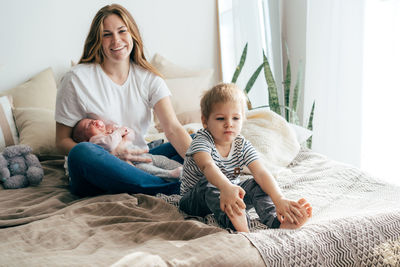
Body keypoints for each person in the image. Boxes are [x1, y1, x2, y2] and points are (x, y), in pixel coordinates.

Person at [55, 4, 192, 196]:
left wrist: (210, 171)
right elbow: (61, 141)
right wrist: (110, 154)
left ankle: (168, 181)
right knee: (81, 152)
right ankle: (172, 188)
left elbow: (173, 129)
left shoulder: (149, 78)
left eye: (122, 31)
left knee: (200, 141)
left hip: (139, 160)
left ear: (132, 34)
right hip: (98, 167)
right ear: (98, 40)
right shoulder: (76, 79)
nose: (116, 40)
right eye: (107, 34)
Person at [179, 83, 312, 232]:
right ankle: (240, 227)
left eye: (235, 118)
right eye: (221, 118)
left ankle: (276, 222)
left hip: (231, 192)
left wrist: (279, 198)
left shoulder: (241, 144)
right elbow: (208, 166)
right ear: (205, 121)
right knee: (210, 184)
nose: (229, 124)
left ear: (243, 120)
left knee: (256, 184)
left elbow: (261, 172)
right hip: (194, 200)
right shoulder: (202, 140)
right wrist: (226, 187)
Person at [72, 118, 183, 181]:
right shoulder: (94, 141)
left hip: (140, 154)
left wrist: (119, 131)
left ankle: (183, 170)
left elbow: (130, 135)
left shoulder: (110, 132)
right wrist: (118, 132)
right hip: (130, 162)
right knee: (146, 170)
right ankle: (169, 175)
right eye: (88, 125)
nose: (93, 122)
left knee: (161, 160)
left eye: (92, 120)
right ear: (85, 139)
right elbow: (110, 144)